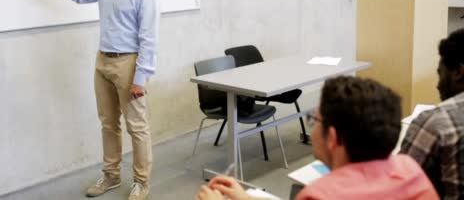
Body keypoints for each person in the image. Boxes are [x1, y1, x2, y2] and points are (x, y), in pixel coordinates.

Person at [35, 0, 158, 200]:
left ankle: (141, 182)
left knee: (136, 126)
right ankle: (112, 175)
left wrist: (140, 78)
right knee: (108, 123)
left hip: (129, 64)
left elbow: (148, 38)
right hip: (103, 61)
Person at [196, 76, 438, 200]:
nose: (311, 129)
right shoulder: (411, 171)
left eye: (315, 121)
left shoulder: (321, 194)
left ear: (333, 137)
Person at [400, 28, 464, 199]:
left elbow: (399, 186)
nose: (438, 85)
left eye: (441, 74)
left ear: (458, 72)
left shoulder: (437, 123)